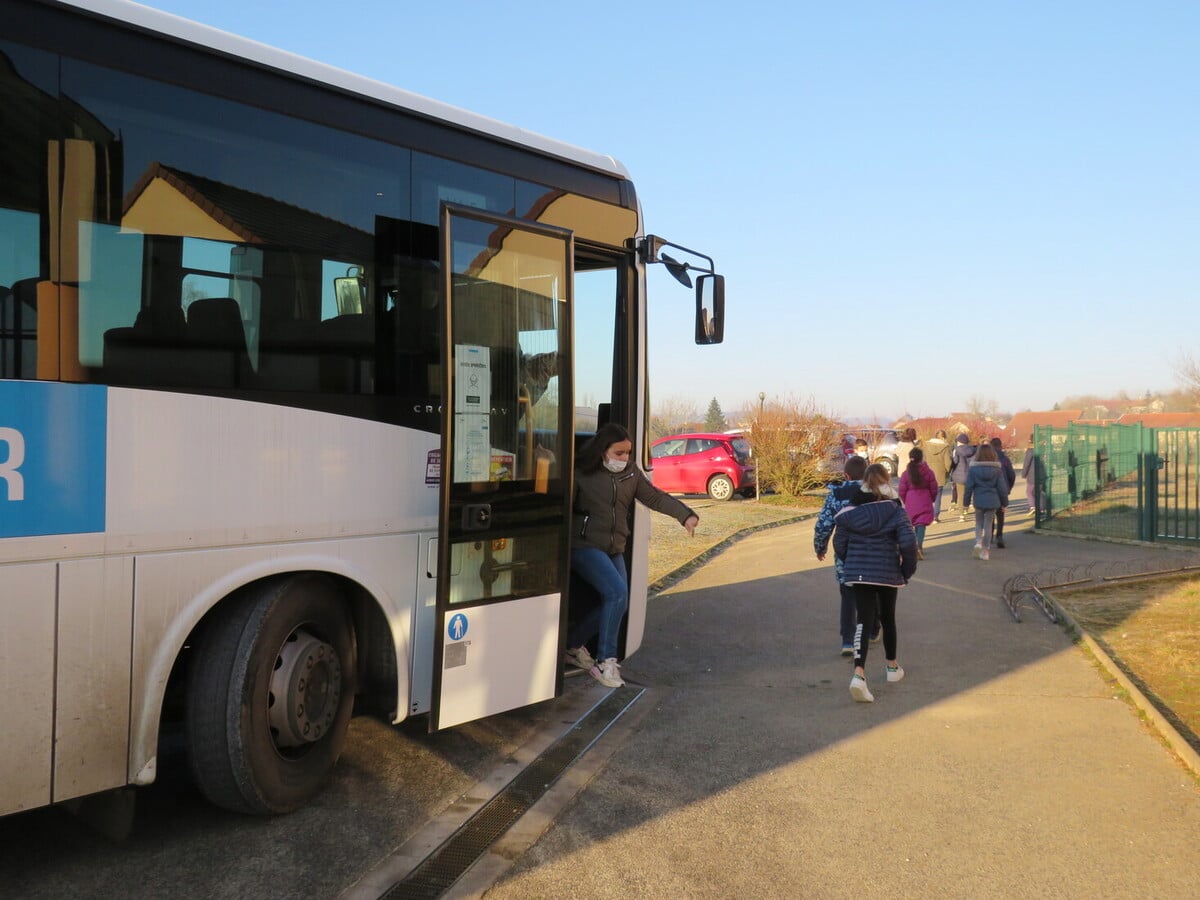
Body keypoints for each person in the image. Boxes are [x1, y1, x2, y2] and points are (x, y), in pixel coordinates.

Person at [566, 423, 699, 688]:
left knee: (619, 599)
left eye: (628, 453)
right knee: (616, 594)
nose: (625, 458)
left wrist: (685, 515)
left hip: (614, 546)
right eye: (619, 453)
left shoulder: (630, 474)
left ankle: (571, 644)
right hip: (583, 545)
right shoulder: (581, 473)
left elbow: (655, 497)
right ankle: (606, 662)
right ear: (603, 451)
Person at [833, 463, 918, 703]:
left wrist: (851, 561)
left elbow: (839, 543)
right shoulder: (895, 510)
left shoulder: (850, 513)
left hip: (859, 573)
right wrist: (905, 571)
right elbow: (908, 543)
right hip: (888, 572)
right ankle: (892, 668)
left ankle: (859, 674)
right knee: (888, 618)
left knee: (863, 620)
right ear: (885, 482)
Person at [814, 453, 869, 656]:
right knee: (872, 592)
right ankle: (873, 630)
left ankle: (848, 640)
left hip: (846, 553)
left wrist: (821, 547)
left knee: (848, 595)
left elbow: (823, 524)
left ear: (846, 475)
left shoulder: (836, 495)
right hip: (873, 551)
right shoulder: (877, 491)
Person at [963, 442, 1009, 561]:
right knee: (988, 525)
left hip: (978, 500)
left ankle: (978, 542)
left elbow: (968, 487)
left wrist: (965, 503)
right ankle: (986, 550)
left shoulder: (973, 469)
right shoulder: (997, 470)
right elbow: (1002, 488)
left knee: (979, 523)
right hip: (993, 501)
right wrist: (1004, 503)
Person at [898, 447, 938, 558]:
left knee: (910, 524)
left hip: (911, 499)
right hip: (925, 498)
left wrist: (905, 500)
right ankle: (919, 546)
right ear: (921, 458)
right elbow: (934, 487)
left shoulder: (906, 473)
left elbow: (902, 490)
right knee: (921, 524)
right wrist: (932, 498)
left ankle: (911, 547)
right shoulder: (928, 472)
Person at [989, 437, 1016, 548]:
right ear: (1000, 446)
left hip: (989, 490)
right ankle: (999, 536)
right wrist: (1008, 488)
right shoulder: (1005, 459)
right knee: (1000, 514)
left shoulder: (987, 458)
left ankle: (989, 535)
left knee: (990, 515)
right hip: (1001, 490)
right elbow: (1012, 475)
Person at [923, 429, 953, 523]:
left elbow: (924, 460)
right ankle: (935, 516)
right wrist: (948, 471)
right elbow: (948, 463)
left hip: (928, 473)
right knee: (938, 495)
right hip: (940, 473)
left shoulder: (926, 446)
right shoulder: (945, 447)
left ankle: (929, 514)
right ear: (943, 437)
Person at [949, 432, 976, 519]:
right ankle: (966, 509)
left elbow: (955, 462)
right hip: (971, 475)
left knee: (960, 495)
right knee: (968, 493)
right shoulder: (973, 450)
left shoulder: (956, 450)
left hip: (959, 475)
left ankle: (961, 515)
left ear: (959, 441)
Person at [1021, 436, 1038, 516]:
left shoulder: (1030, 450)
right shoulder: (1043, 449)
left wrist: (1024, 474)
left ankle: (1033, 507)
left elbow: (1026, 463)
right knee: (1039, 492)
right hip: (1043, 474)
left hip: (1032, 475)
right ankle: (1042, 508)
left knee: (1029, 491)